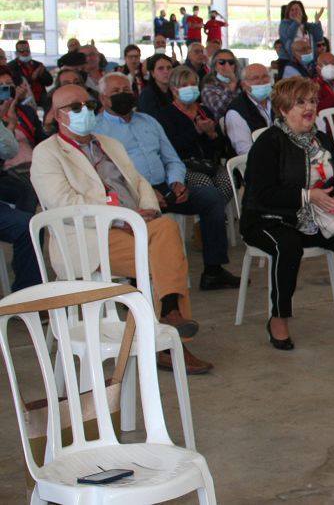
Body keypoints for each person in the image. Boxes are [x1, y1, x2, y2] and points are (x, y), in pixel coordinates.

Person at [30, 84, 212, 373]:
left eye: (89, 106)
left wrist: (148, 209)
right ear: (57, 115)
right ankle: (167, 341)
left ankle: (169, 315)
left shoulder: (108, 143)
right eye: (75, 108)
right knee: (161, 258)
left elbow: (138, 181)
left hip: (135, 224)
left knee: (165, 229)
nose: (85, 112)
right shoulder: (47, 153)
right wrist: (121, 216)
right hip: (88, 238)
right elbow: (64, 204)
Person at [241, 77, 334, 349]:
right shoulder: (269, 142)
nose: (309, 108)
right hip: (266, 219)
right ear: (283, 109)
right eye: (300, 103)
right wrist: (308, 196)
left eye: (312, 101)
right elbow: (263, 193)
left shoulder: (321, 139)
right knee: (288, 245)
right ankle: (278, 318)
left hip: (312, 219)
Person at [94, 73, 239, 291]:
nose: (123, 95)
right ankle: (138, 279)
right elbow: (107, 175)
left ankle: (213, 270)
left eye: (126, 90)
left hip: (165, 186)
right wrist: (147, 194)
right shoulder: (98, 130)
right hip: (131, 194)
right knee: (142, 218)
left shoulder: (149, 121)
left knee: (211, 197)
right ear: (103, 99)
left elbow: (172, 158)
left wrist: (177, 182)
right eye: (116, 92)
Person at [157, 66, 232, 204]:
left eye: (193, 84)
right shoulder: (166, 115)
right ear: (174, 89)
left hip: (209, 164)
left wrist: (212, 134)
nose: (190, 88)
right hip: (184, 167)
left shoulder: (204, 111)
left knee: (228, 180)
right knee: (204, 184)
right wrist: (196, 131)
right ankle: (213, 216)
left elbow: (221, 145)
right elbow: (172, 147)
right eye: (184, 85)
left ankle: (218, 213)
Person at [0, 67, 42, 212]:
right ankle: (29, 229)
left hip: (35, 163)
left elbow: (40, 140)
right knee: (29, 189)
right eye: (1, 86)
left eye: (9, 84)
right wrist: (10, 125)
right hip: (10, 169)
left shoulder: (26, 111)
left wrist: (48, 126)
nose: (6, 88)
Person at [224, 63, 273, 157]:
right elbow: (245, 151)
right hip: (254, 164)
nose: (261, 81)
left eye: (265, 76)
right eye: (255, 78)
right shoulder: (236, 111)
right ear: (243, 85)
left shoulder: (277, 101)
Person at [200, 49, 242, 122]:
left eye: (231, 62)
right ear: (215, 66)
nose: (227, 65)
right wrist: (231, 86)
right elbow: (219, 111)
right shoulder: (208, 87)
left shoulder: (242, 84)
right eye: (222, 62)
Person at [278, 0, 324, 64]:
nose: (294, 12)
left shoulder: (306, 25)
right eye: (292, 10)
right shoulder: (284, 24)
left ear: (302, 12)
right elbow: (288, 36)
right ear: (288, 12)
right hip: (291, 61)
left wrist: (317, 20)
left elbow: (319, 37)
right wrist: (296, 22)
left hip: (308, 61)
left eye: (297, 9)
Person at [10, 39, 53, 104]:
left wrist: (41, 75)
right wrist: (32, 78)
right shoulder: (11, 67)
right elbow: (16, 84)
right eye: (22, 51)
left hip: (41, 96)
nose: (25, 53)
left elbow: (50, 82)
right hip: (23, 97)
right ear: (16, 53)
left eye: (27, 51)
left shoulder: (37, 65)